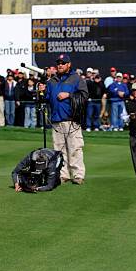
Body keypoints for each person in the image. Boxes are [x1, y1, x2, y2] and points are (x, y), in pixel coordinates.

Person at [44, 53, 88, 185]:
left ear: (69, 64)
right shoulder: (52, 81)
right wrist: (41, 90)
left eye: (63, 63)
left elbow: (84, 95)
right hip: (57, 120)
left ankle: (78, 175)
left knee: (75, 148)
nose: (60, 65)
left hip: (72, 119)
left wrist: (68, 95)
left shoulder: (76, 79)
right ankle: (63, 175)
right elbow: (46, 98)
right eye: (58, 63)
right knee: (59, 150)